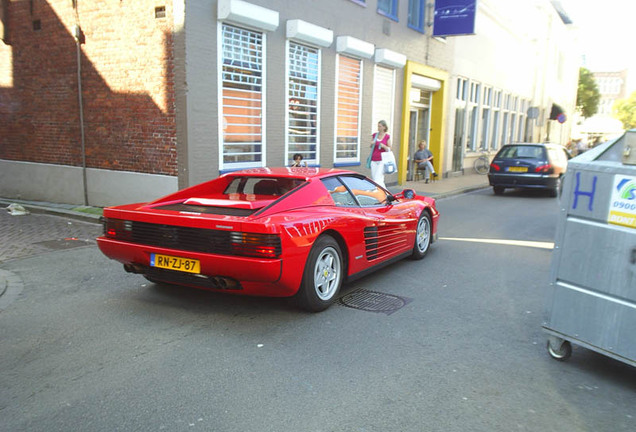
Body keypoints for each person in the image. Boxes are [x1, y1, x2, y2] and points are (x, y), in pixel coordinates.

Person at [369, 120, 392, 188]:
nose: (378, 128)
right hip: (373, 159)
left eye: (380, 126)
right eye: (378, 126)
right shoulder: (374, 135)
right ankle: (382, 193)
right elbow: (371, 146)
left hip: (382, 160)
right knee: (375, 178)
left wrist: (384, 146)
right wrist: (371, 144)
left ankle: (384, 193)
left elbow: (389, 149)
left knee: (378, 178)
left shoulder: (387, 136)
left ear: (384, 127)